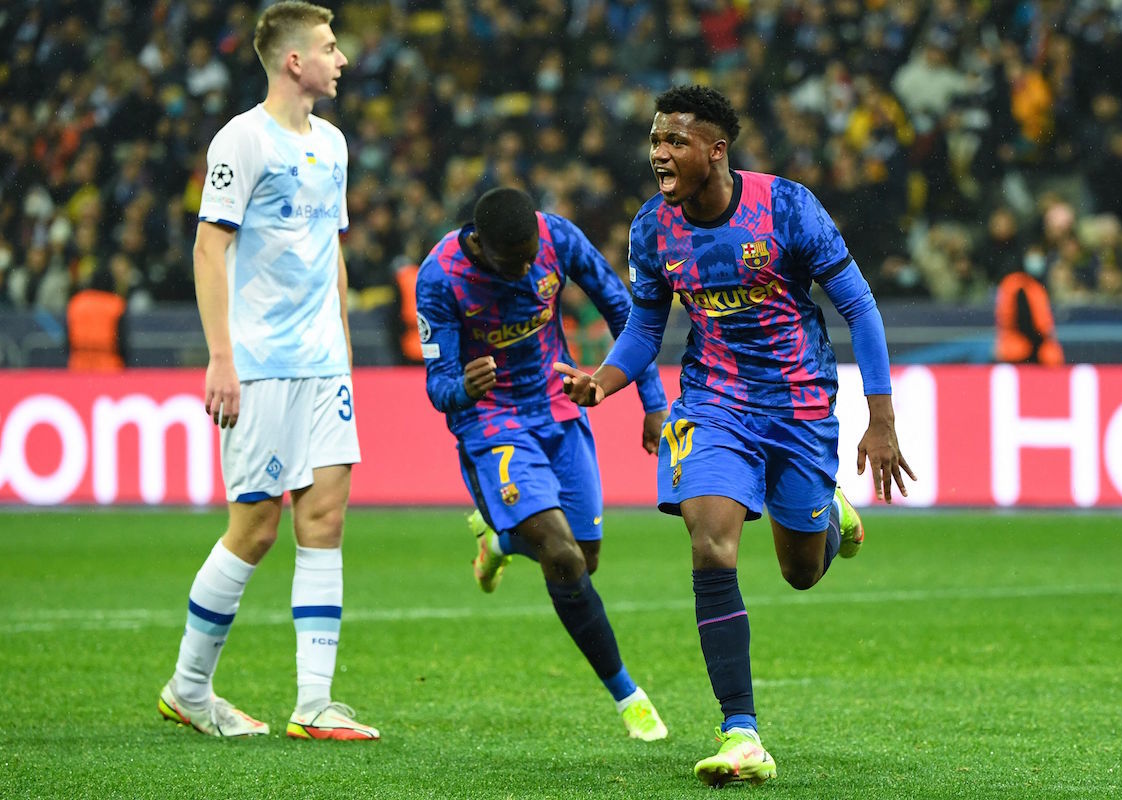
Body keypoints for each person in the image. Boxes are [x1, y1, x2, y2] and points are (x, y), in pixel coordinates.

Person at [555, 85, 916, 787]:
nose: (660, 152)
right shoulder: (654, 228)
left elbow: (860, 308)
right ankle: (740, 730)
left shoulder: (786, 209)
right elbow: (643, 328)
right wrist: (603, 380)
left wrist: (882, 419)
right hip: (714, 402)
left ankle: (829, 512)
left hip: (799, 402)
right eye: (656, 139)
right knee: (710, 543)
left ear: (716, 151)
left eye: (676, 141)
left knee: (801, 572)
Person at [157, 1, 378, 741]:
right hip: (260, 364)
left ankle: (314, 703)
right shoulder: (240, 142)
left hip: (322, 366)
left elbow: (331, 252)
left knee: (326, 516)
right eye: (329, 45)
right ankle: (189, 688)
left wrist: (343, 352)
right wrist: (222, 356)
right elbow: (208, 250)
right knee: (255, 529)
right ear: (294, 61)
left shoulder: (336, 145)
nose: (340, 57)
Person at [416, 186, 671, 742]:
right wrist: (462, 387)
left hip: (557, 404)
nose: (530, 269)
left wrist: (652, 400)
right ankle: (629, 696)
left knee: (586, 559)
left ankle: (502, 542)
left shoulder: (556, 235)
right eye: (515, 262)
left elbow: (623, 308)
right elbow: (436, 385)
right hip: (493, 422)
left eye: (534, 255)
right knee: (562, 557)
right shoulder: (441, 277)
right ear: (480, 247)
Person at [994, 250, 1065, 365]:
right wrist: (1038, 343)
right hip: (1021, 351)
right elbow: (1024, 320)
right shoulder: (1020, 285)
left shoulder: (1026, 284)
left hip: (1020, 348)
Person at [66, 267, 127, 371]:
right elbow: (121, 343)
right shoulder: (116, 304)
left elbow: (67, 341)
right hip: (109, 365)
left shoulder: (76, 302)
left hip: (79, 364)